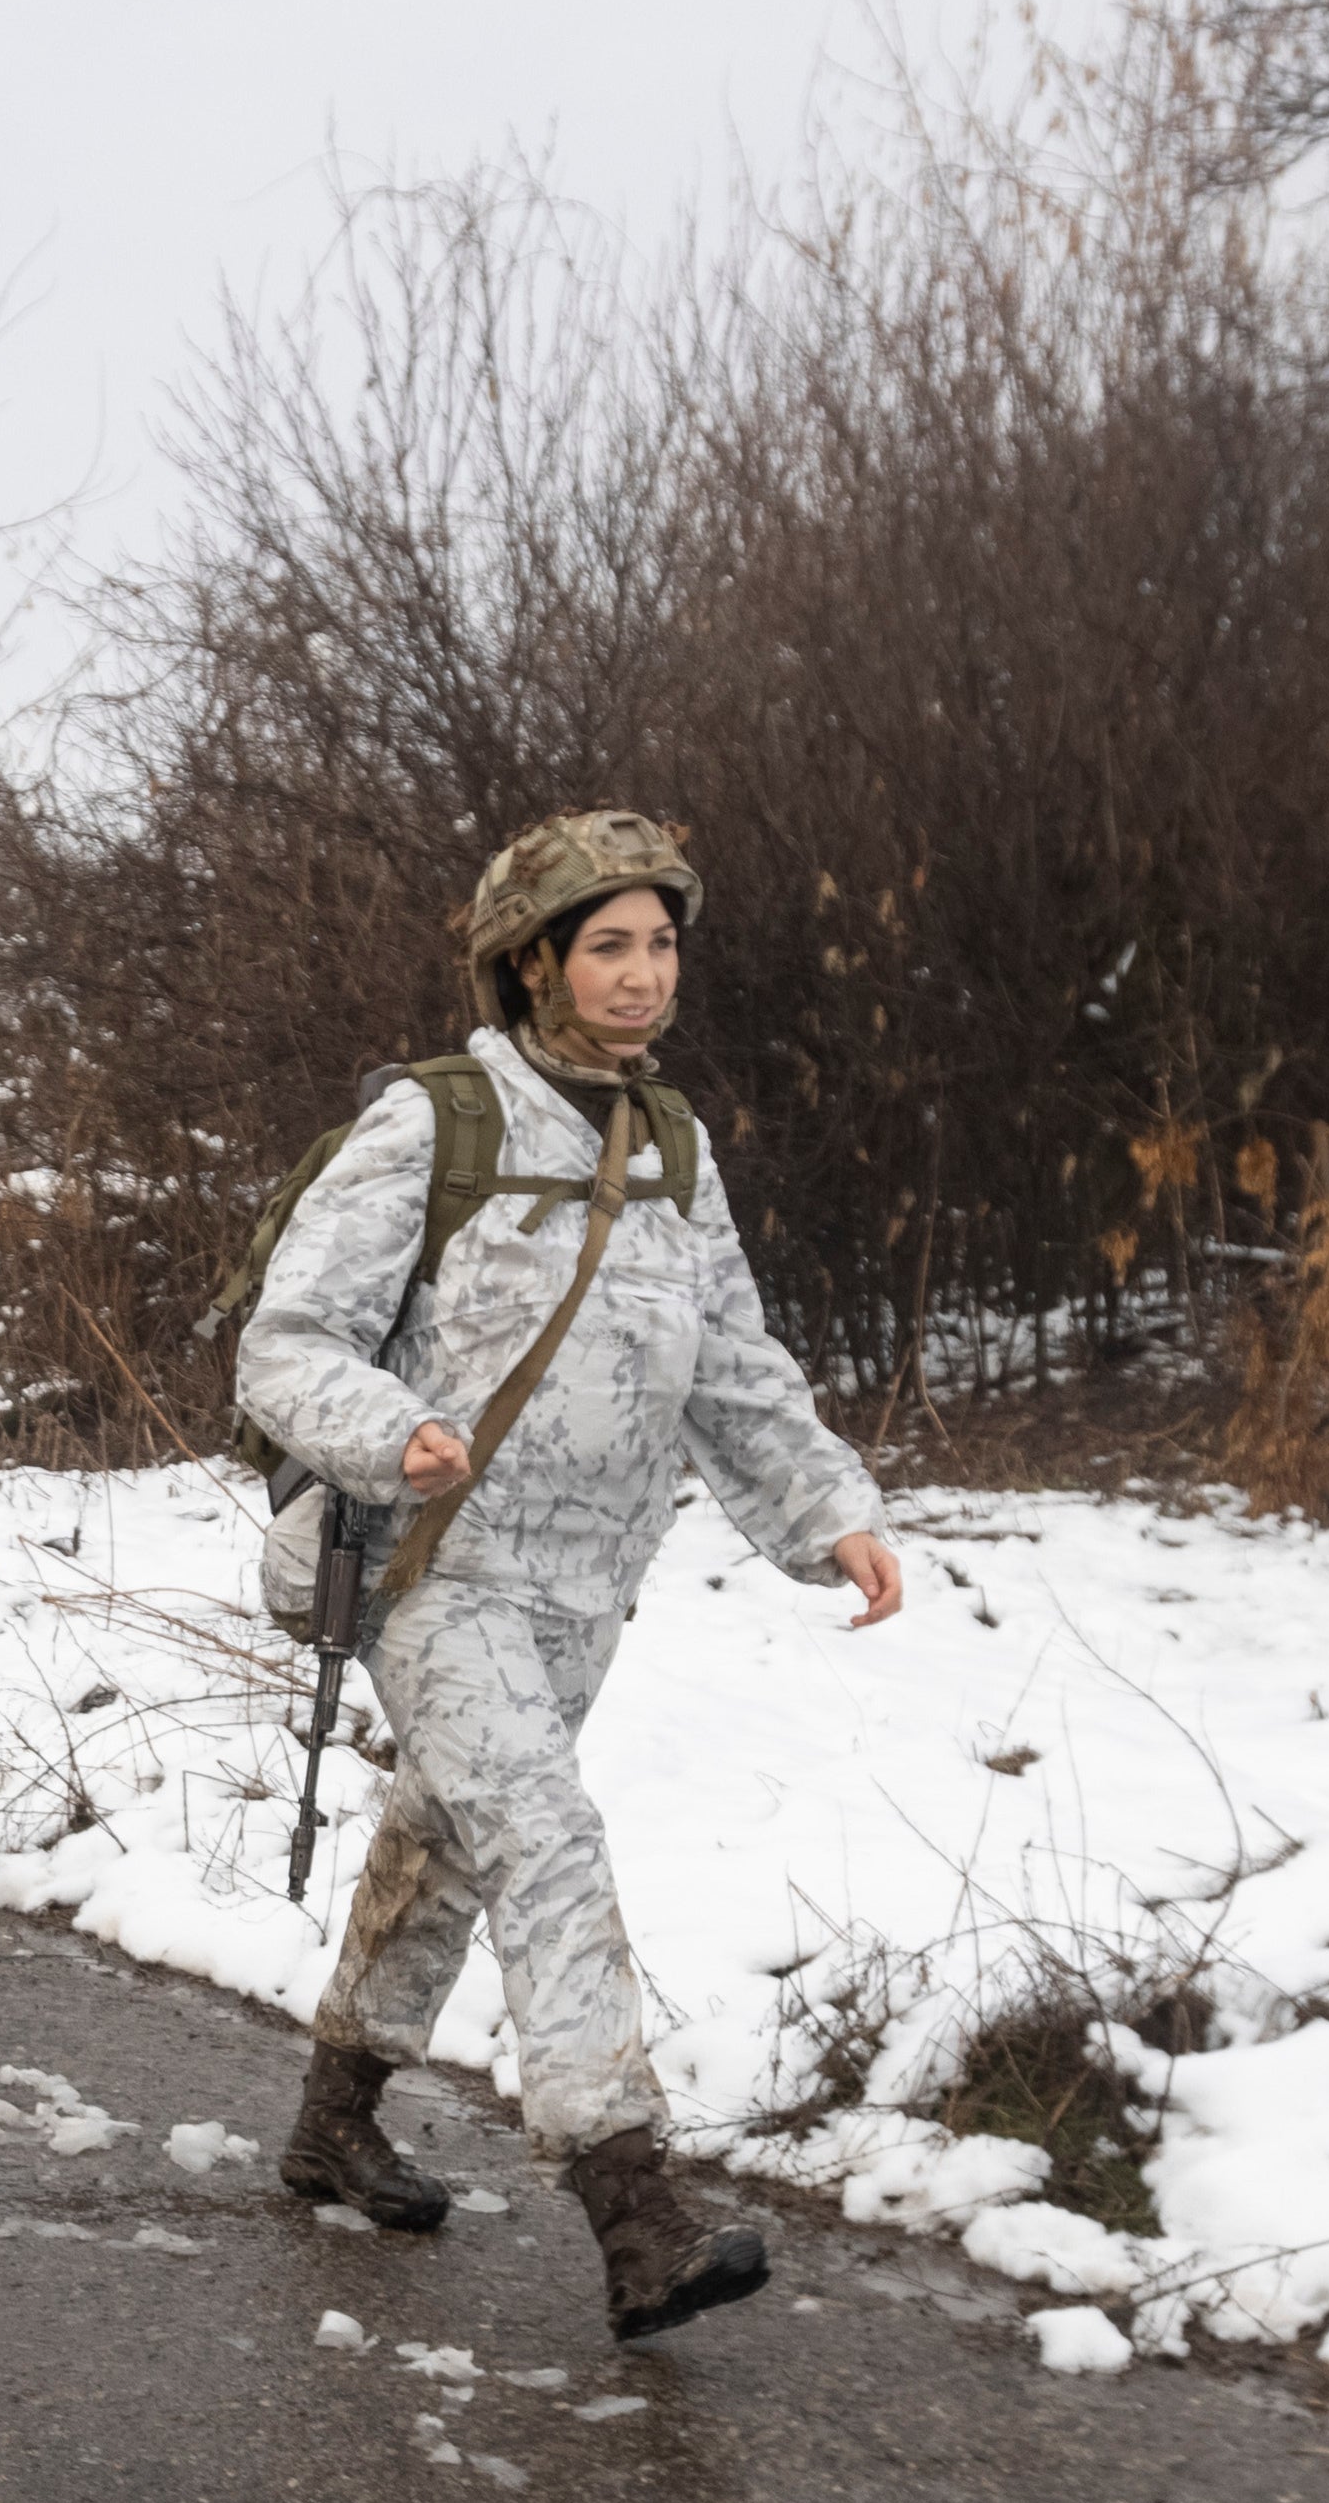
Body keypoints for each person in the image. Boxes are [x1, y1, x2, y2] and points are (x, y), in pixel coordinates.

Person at [237, 810, 905, 2337]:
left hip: (589, 1581)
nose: (642, 973)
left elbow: (728, 1361)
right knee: (542, 1836)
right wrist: (390, 1429)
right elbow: (285, 1342)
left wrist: (827, 1512)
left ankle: (333, 2122)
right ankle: (634, 2211)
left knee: (452, 1841)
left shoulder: (673, 1144)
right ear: (529, 960)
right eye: (607, 944)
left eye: (659, 943)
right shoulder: (436, 1119)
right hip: (434, 1562)